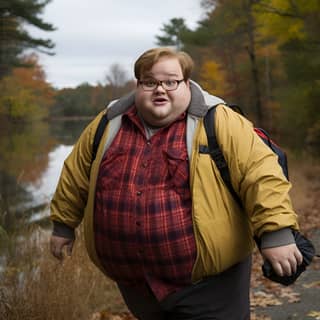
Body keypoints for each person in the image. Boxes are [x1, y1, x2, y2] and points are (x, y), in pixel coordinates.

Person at [50, 47, 303, 320]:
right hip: (137, 286)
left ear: (186, 82)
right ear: (138, 85)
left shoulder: (219, 120)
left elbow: (261, 175)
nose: (160, 89)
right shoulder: (108, 123)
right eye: (150, 82)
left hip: (210, 285)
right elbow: (75, 174)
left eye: (170, 81)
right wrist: (63, 225)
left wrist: (276, 234)